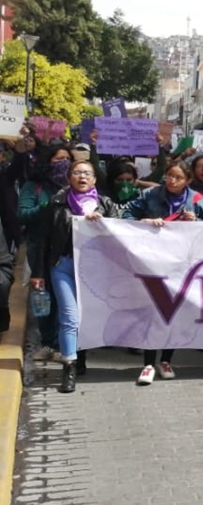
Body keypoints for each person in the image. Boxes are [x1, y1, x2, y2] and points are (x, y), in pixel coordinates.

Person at [30, 161, 119, 393]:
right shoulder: (57, 204)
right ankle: (69, 366)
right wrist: (38, 273)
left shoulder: (106, 205)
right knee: (69, 316)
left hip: (94, 269)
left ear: (95, 179)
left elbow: (122, 231)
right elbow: (43, 240)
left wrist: (102, 223)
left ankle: (81, 357)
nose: (82, 177)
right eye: (77, 173)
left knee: (87, 315)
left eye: (87, 173)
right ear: (69, 178)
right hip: (63, 266)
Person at [123, 162, 203, 385]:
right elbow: (125, 214)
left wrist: (197, 221)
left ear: (188, 181)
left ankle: (166, 360)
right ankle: (148, 364)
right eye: (169, 176)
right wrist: (143, 222)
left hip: (183, 264)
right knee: (153, 311)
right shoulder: (150, 194)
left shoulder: (196, 200)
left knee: (174, 313)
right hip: (153, 262)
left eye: (178, 177)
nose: (172, 181)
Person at [19, 142, 72, 362]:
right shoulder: (35, 187)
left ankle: (62, 344)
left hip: (64, 252)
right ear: (47, 162)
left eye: (67, 160)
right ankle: (46, 342)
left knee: (64, 298)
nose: (63, 164)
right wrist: (48, 205)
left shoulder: (75, 188)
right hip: (39, 250)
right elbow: (23, 214)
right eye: (58, 159)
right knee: (42, 295)